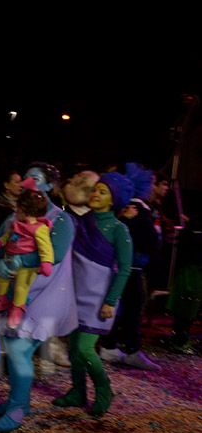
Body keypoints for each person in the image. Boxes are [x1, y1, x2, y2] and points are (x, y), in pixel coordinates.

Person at [0, 162, 77, 432]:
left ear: (50, 186)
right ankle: (19, 402)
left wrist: (14, 263)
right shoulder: (14, 216)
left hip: (45, 294)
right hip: (16, 293)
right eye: (26, 177)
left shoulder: (60, 219)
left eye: (36, 179)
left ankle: (17, 407)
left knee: (18, 349)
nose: (29, 182)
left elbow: (55, 255)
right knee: (15, 349)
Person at [53, 173, 133, 416]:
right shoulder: (80, 222)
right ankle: (78, 391)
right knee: (75, 347)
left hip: (99, 299)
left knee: (85, 349)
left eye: (103, 191)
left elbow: (125, 268)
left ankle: (103, 388)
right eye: (95, 190)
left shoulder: (119, 229)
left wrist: (111, 300)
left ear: (113, 200)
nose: (95, 194)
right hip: (75, 295)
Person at [97, 163, 161, 370]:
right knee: (131, 308)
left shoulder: (122, 208)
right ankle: (130, 349)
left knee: (119, 307)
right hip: (130, 268)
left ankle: (110, 345)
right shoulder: (138, 209)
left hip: (118, 266)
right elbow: (148, 241)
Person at [0, 188, 54, 328]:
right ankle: (1, 299)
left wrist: (46, 262)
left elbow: (45, 247)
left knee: (21, 287)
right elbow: (6, 237)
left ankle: (17, 309)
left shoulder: (39, 228)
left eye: (17, 208)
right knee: (2, 279)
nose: (15, 211)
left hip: (26, 266)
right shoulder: (17, 224)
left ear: (24, 210)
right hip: (9, 258)